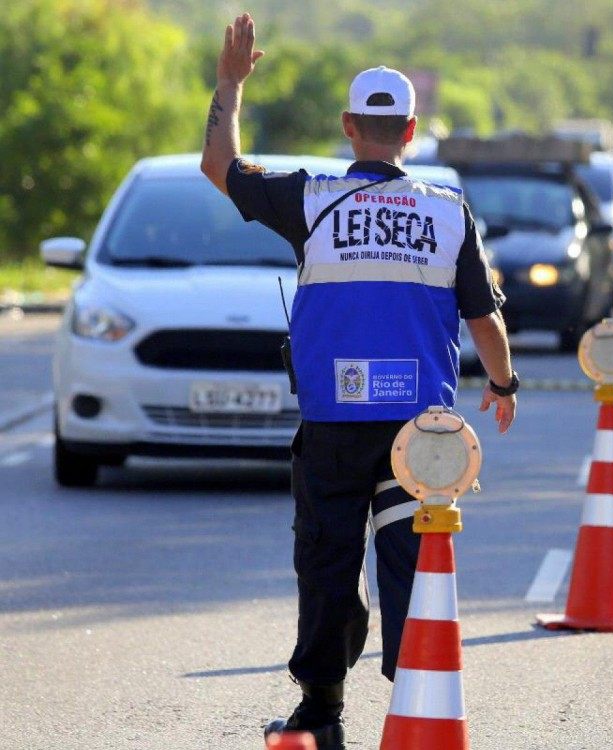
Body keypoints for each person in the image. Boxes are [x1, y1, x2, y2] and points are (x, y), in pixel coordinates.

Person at [199, 14, 518, 750]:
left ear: (350, 128)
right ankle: (418, 700)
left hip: (334, 422)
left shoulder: (310, 200)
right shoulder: (446, 212)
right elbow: (486, 324)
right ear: (410, 132)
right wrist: (503, 386)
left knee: (328, 561)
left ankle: (321, 710)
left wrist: (230, 83)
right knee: (411, 562)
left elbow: (220, 167)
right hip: (420, 434)